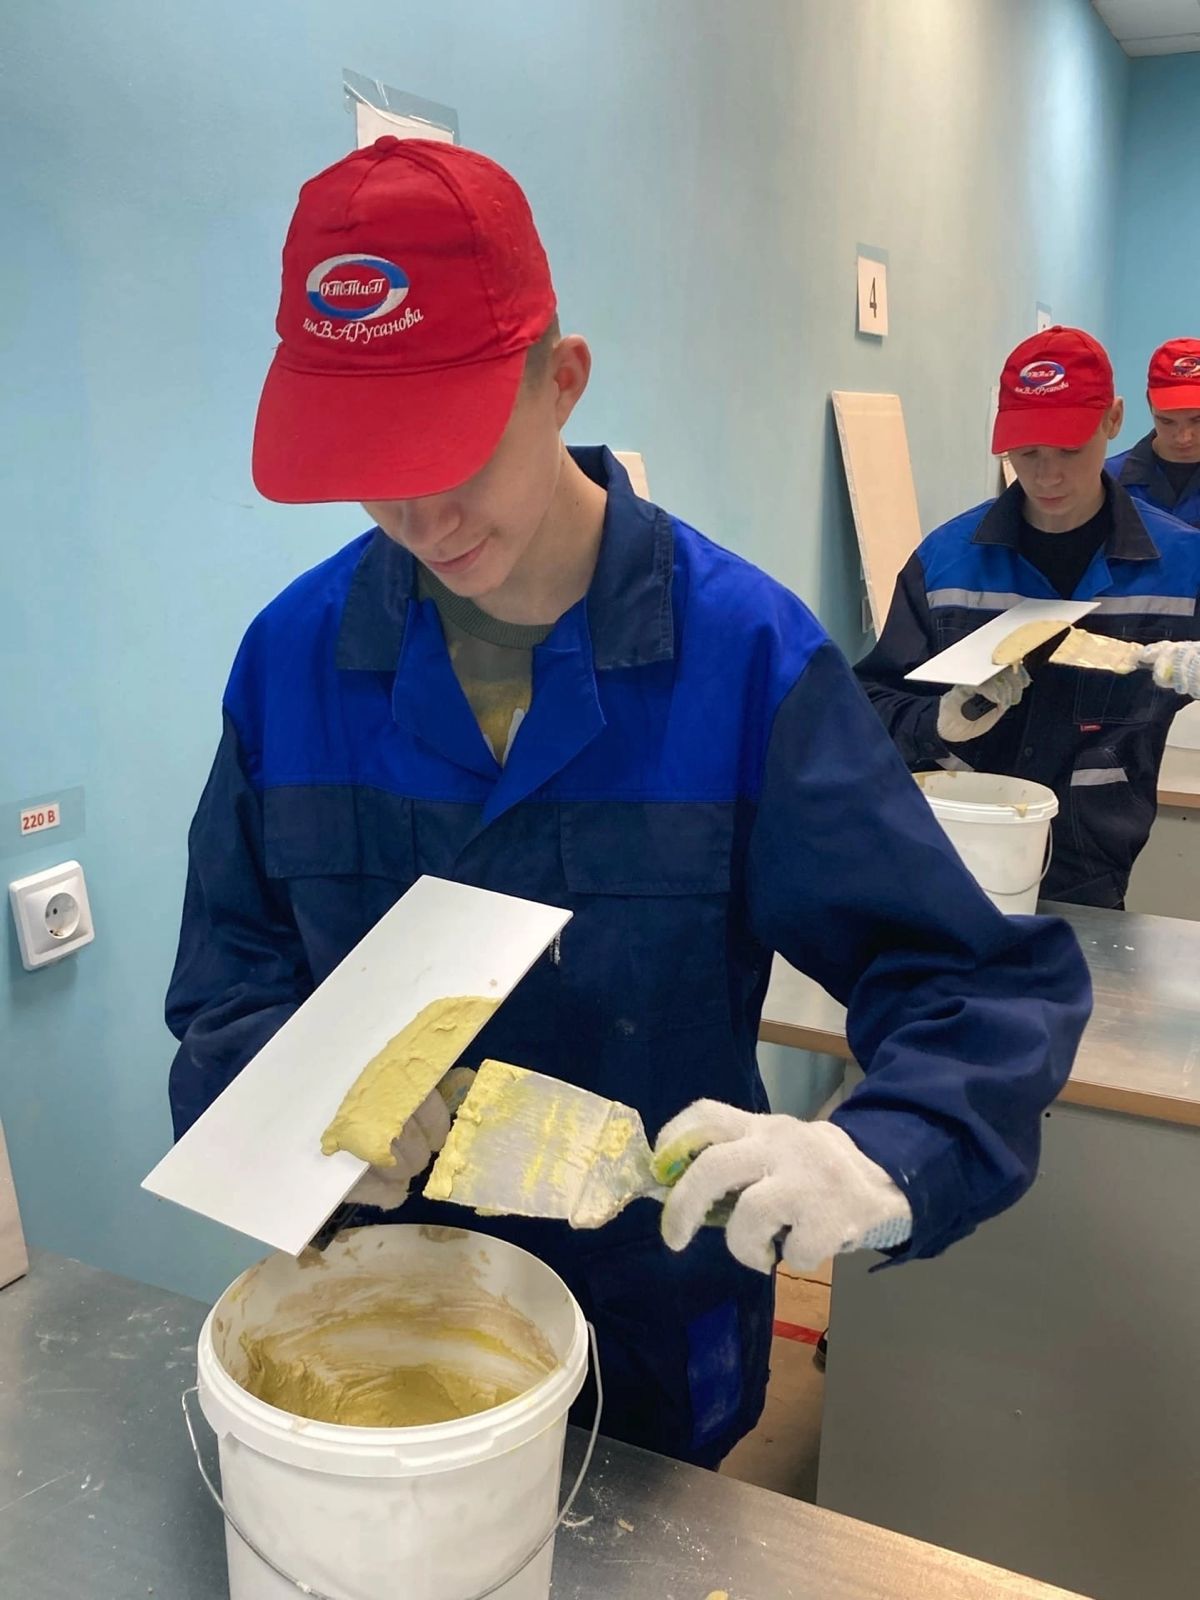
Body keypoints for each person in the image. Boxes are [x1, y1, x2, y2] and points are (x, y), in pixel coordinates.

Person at [166, 139, 1090, 1468]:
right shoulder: (290, 663)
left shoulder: (745, 658)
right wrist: (289, 1098)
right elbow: (228, 986)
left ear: (562, 380)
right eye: (373, 460)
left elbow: (970, 983)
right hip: (373, 1319)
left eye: (452, 448)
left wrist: (886, 1151)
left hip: (648, 1325)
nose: (422, 515)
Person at [857, 326, 1200, 911]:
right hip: (952, 854)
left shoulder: (1183, 567)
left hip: (1092, 872)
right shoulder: (944, 563)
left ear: (1113, 420)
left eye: (1069, 450)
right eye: (1027, 453)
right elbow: (869, 702)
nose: (1047, 476)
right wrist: (937, 722)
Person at [1108, 338, 1200, 528]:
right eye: (1167, 421)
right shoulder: (1105, 482)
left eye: (1197, 420)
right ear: (1149, 403)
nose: (1183, 437)